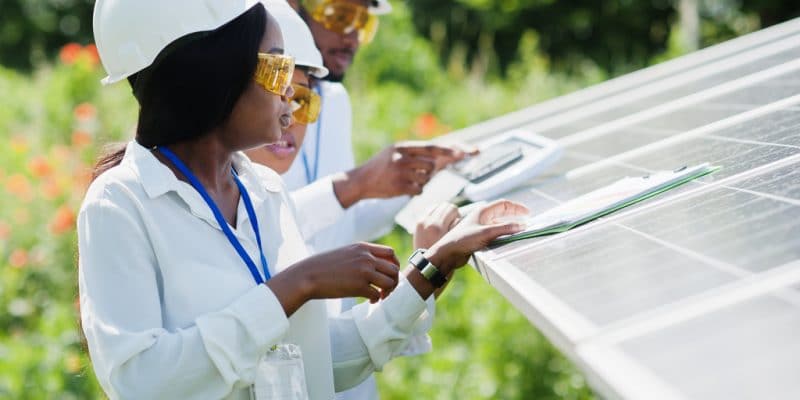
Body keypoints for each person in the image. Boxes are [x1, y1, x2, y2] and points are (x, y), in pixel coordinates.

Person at [79, 1, 529, 400]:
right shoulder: (119, 205)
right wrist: (298, 284)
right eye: (277, 69)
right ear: (215, 74)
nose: (290, 97)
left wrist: (434, 264)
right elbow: (140, 382)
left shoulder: (263, 192)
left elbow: (315, 361)